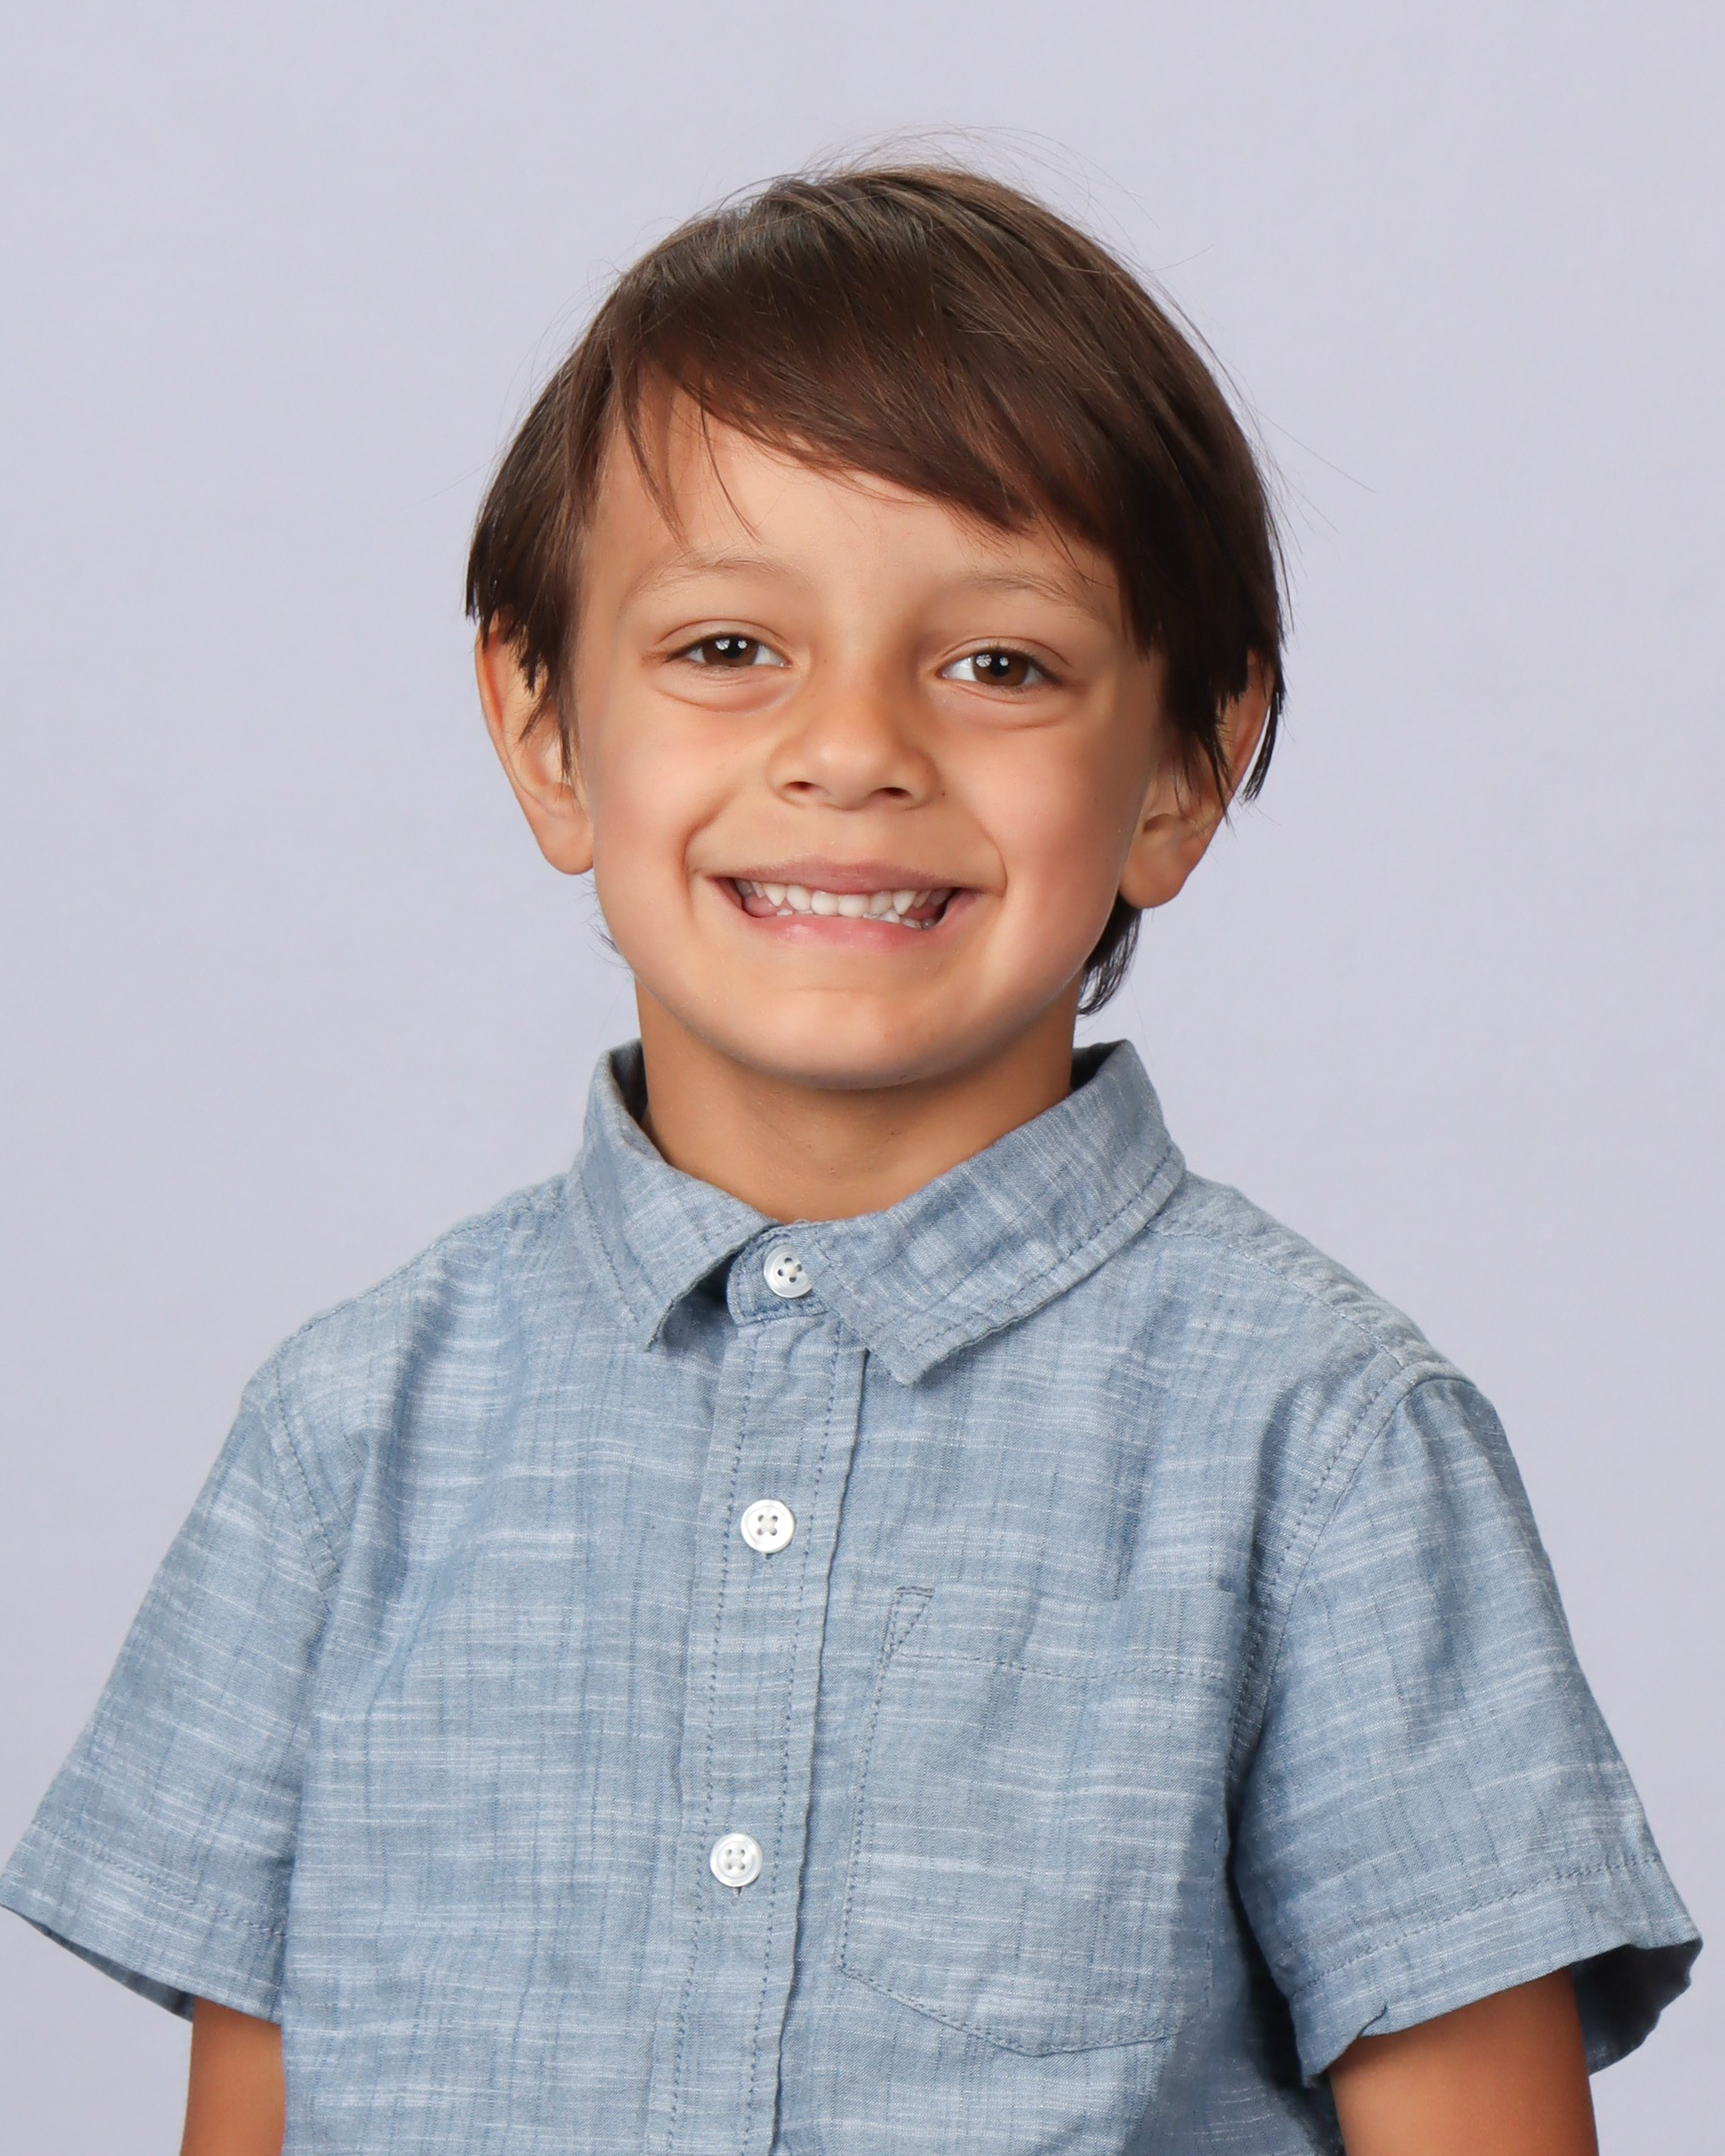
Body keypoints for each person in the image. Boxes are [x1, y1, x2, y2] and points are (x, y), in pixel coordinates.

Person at [0, 164, 1697, 2156]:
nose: (853, 748)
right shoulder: (346, 1439)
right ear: (544, 729)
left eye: (1000, 666)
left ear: (1185, 767)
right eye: (728, 646)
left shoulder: (1324, 1451)